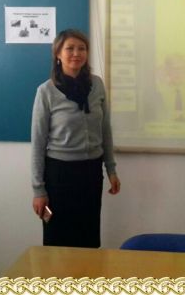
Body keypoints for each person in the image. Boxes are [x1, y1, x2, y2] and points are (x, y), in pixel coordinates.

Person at [31, 29, 121, 247]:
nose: (76, 53)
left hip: (91, 172)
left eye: (82, 48)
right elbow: (38, 143)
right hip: (59, 175)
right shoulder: (46, 91)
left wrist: (111, 169)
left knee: (88, 237)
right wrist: (38, 190)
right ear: (58, 54)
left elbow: (105, 130)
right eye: (69, 48)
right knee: (58, 240)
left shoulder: (97, 85)